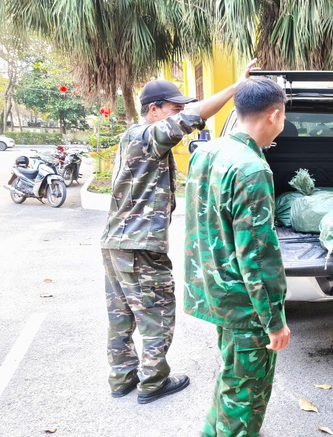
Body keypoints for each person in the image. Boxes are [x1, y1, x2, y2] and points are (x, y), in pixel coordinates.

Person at [101, 60, 258, 404]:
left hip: (117, 243)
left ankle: (122, 378)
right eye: (174, 109)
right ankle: (153, 382)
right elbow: (191, 119)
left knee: (121, 314)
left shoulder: (135, 138)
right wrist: (237, 87)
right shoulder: (146, 136)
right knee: (156, 312)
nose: (180, 113)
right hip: (140, 246)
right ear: (153, 110)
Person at [183, 76, 291, 436]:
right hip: (245, 305)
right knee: (247, 395)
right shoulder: (251, 169)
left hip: (214, 290)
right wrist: (273, 320)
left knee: (233, 378)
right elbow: (257, 257)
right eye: (284, 115)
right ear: (274, 115)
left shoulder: (207, 152)